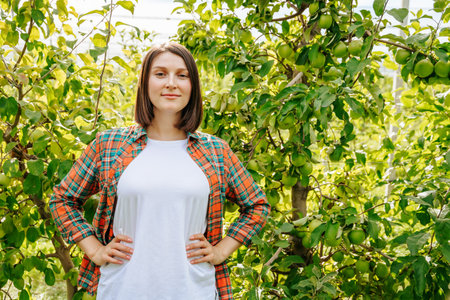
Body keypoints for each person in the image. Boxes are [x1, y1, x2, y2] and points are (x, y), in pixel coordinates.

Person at [49, 42, 271, 299]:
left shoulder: (215, 151)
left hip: (195, 291)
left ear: (193, 86)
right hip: (122, 290)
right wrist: (95, 249)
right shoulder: (109, 145)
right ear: (145, 83)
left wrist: (221, 251)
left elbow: (257, 206)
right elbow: (63, 199)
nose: (171, 83)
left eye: (182, 75)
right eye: (160, 74)